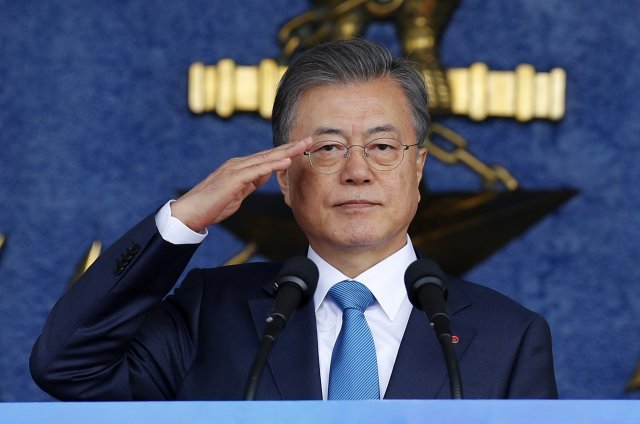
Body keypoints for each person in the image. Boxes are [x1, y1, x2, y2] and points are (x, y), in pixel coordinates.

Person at [30, 39, 558, 400]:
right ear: (284, 177)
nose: (357, 171)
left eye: (381, 146)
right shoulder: (208, 312)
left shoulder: (509, 336)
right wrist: (182, 221)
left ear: (417, 169)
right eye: (327, 148)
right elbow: (68, 367)